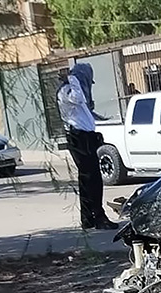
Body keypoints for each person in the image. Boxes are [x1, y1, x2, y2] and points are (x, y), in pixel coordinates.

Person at [57, 63, 119, 230]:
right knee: (92, 180)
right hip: (79, 139)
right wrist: (72, 79)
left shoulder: (72, 91)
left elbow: (84, 111)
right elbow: (78, 98)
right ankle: (98, 217)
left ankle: (88, 218)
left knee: (87, 180)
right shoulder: (67, 91)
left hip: (85, 138)